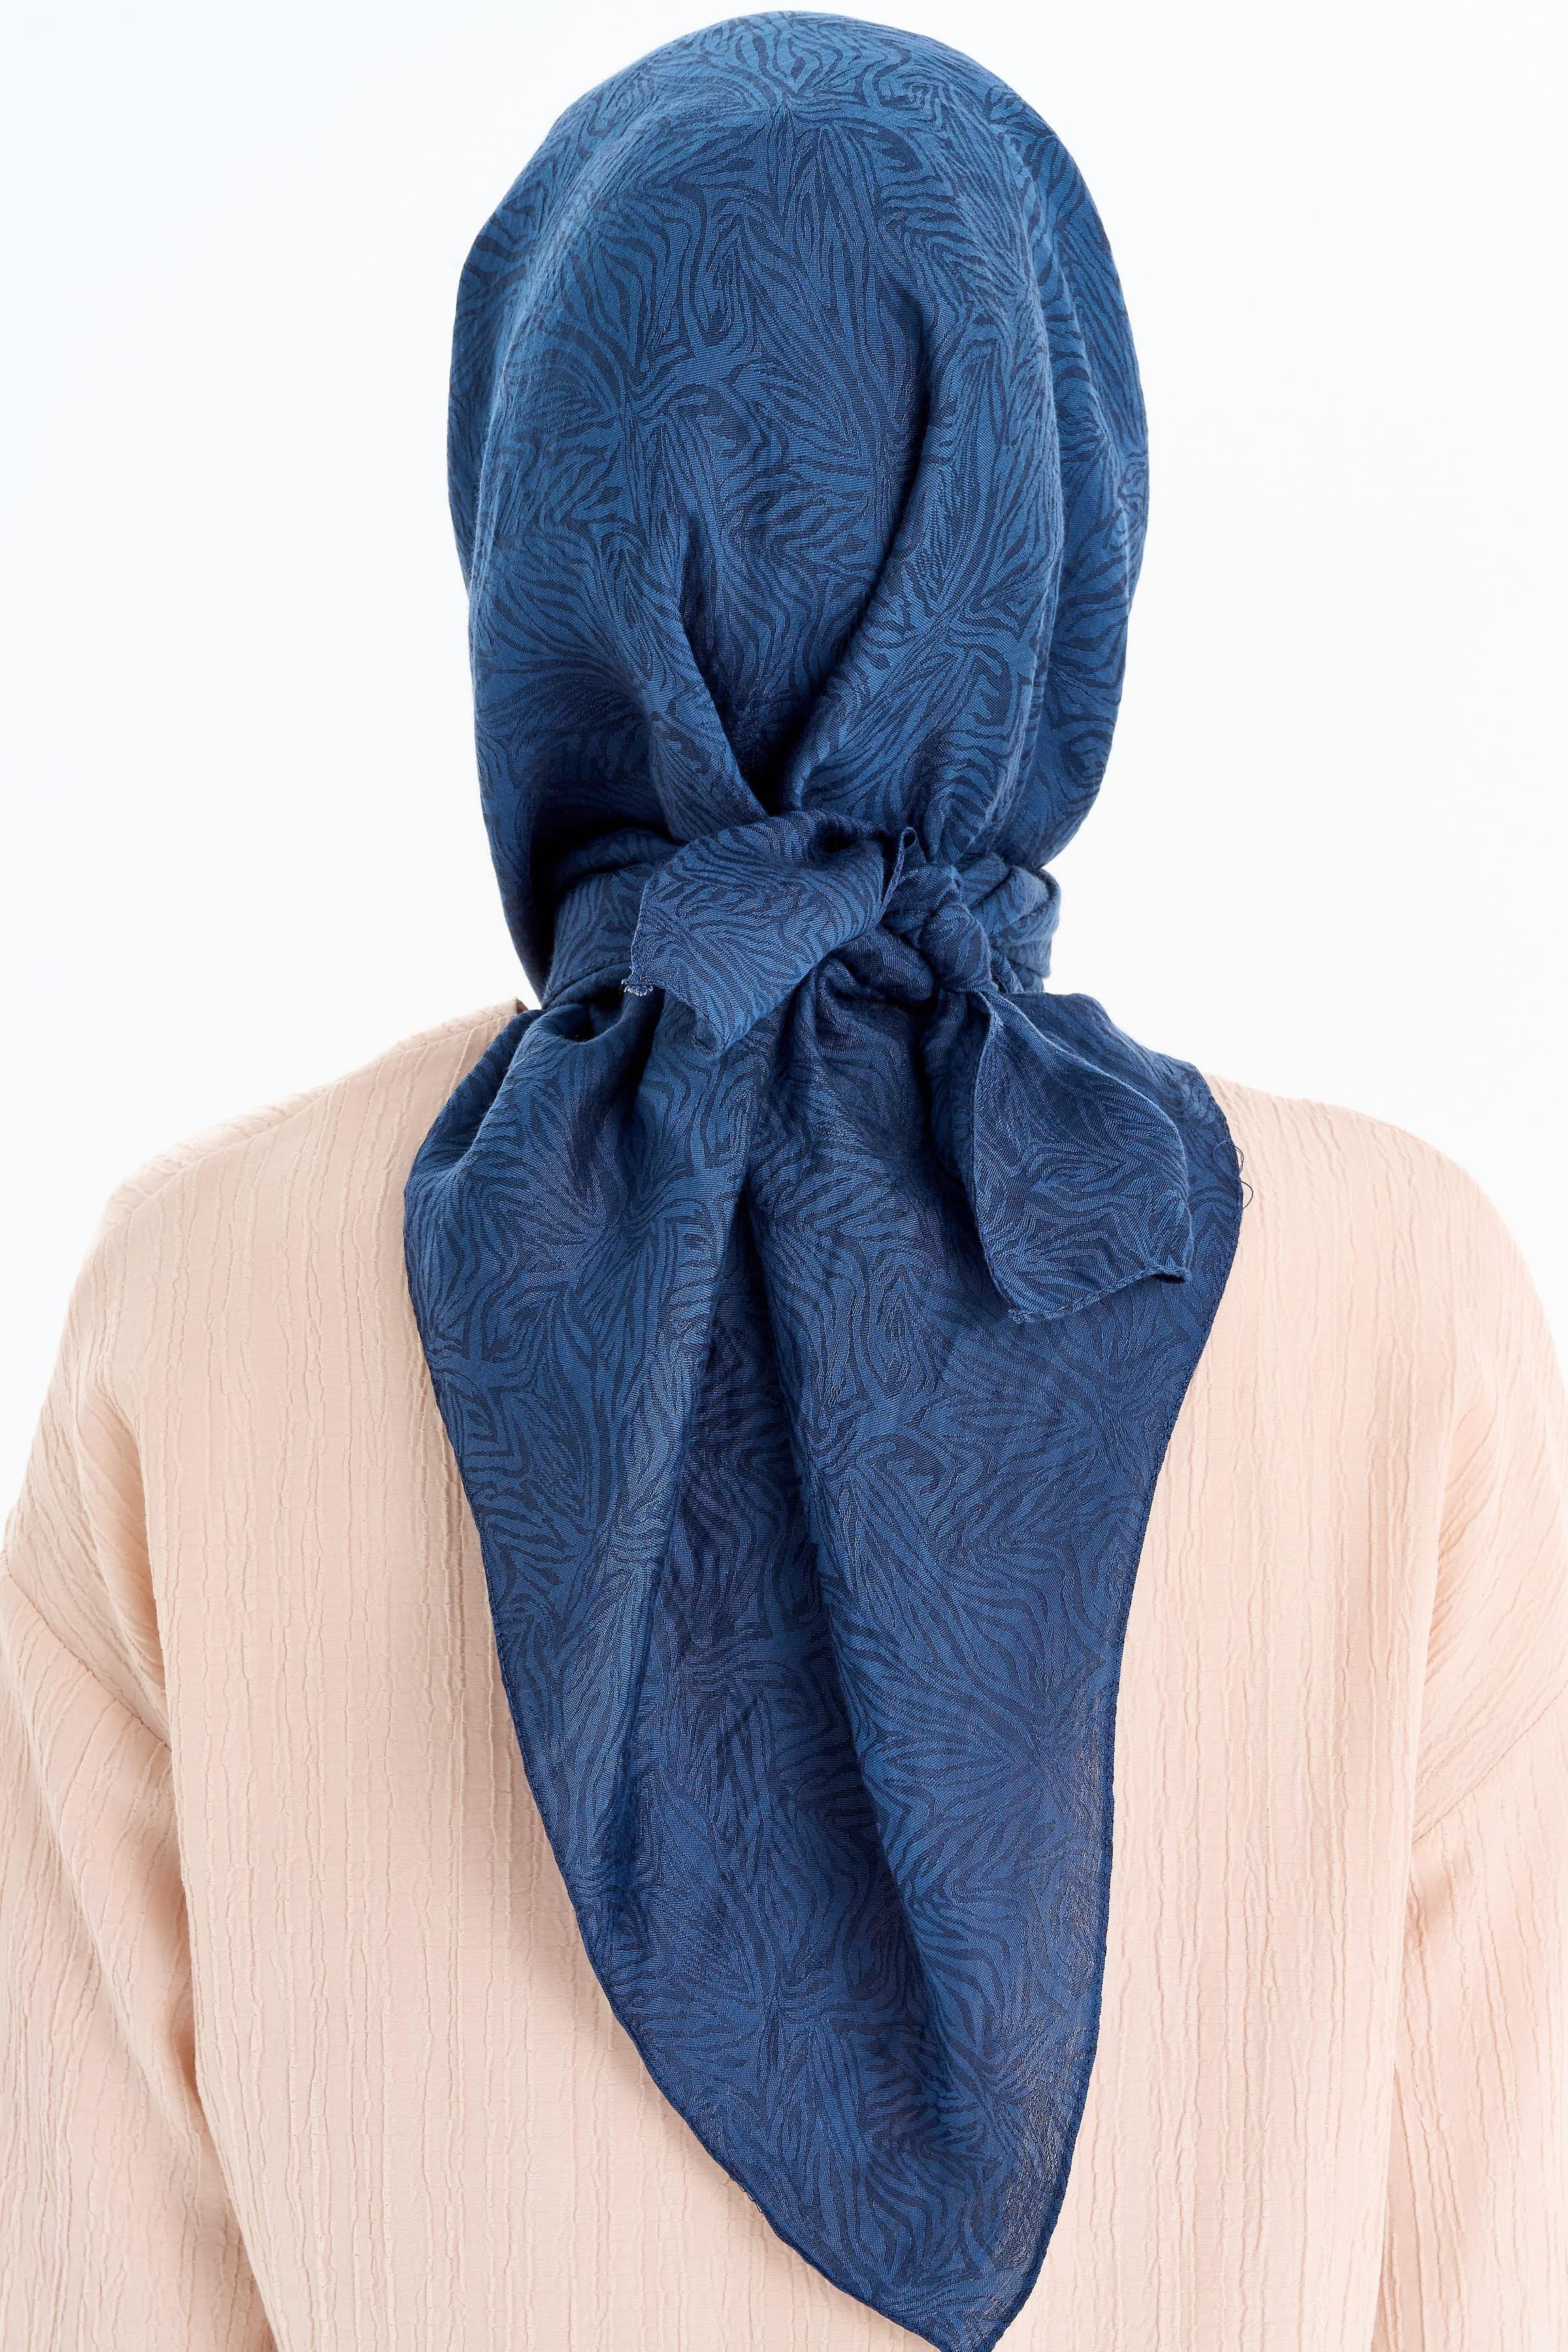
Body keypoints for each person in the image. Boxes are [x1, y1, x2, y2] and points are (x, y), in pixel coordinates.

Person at [2, 16, 1563, 2352]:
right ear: (1063, 508)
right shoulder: (1401, 1307)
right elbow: (1493, 2269)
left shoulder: (189, 1304)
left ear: (528, 504)